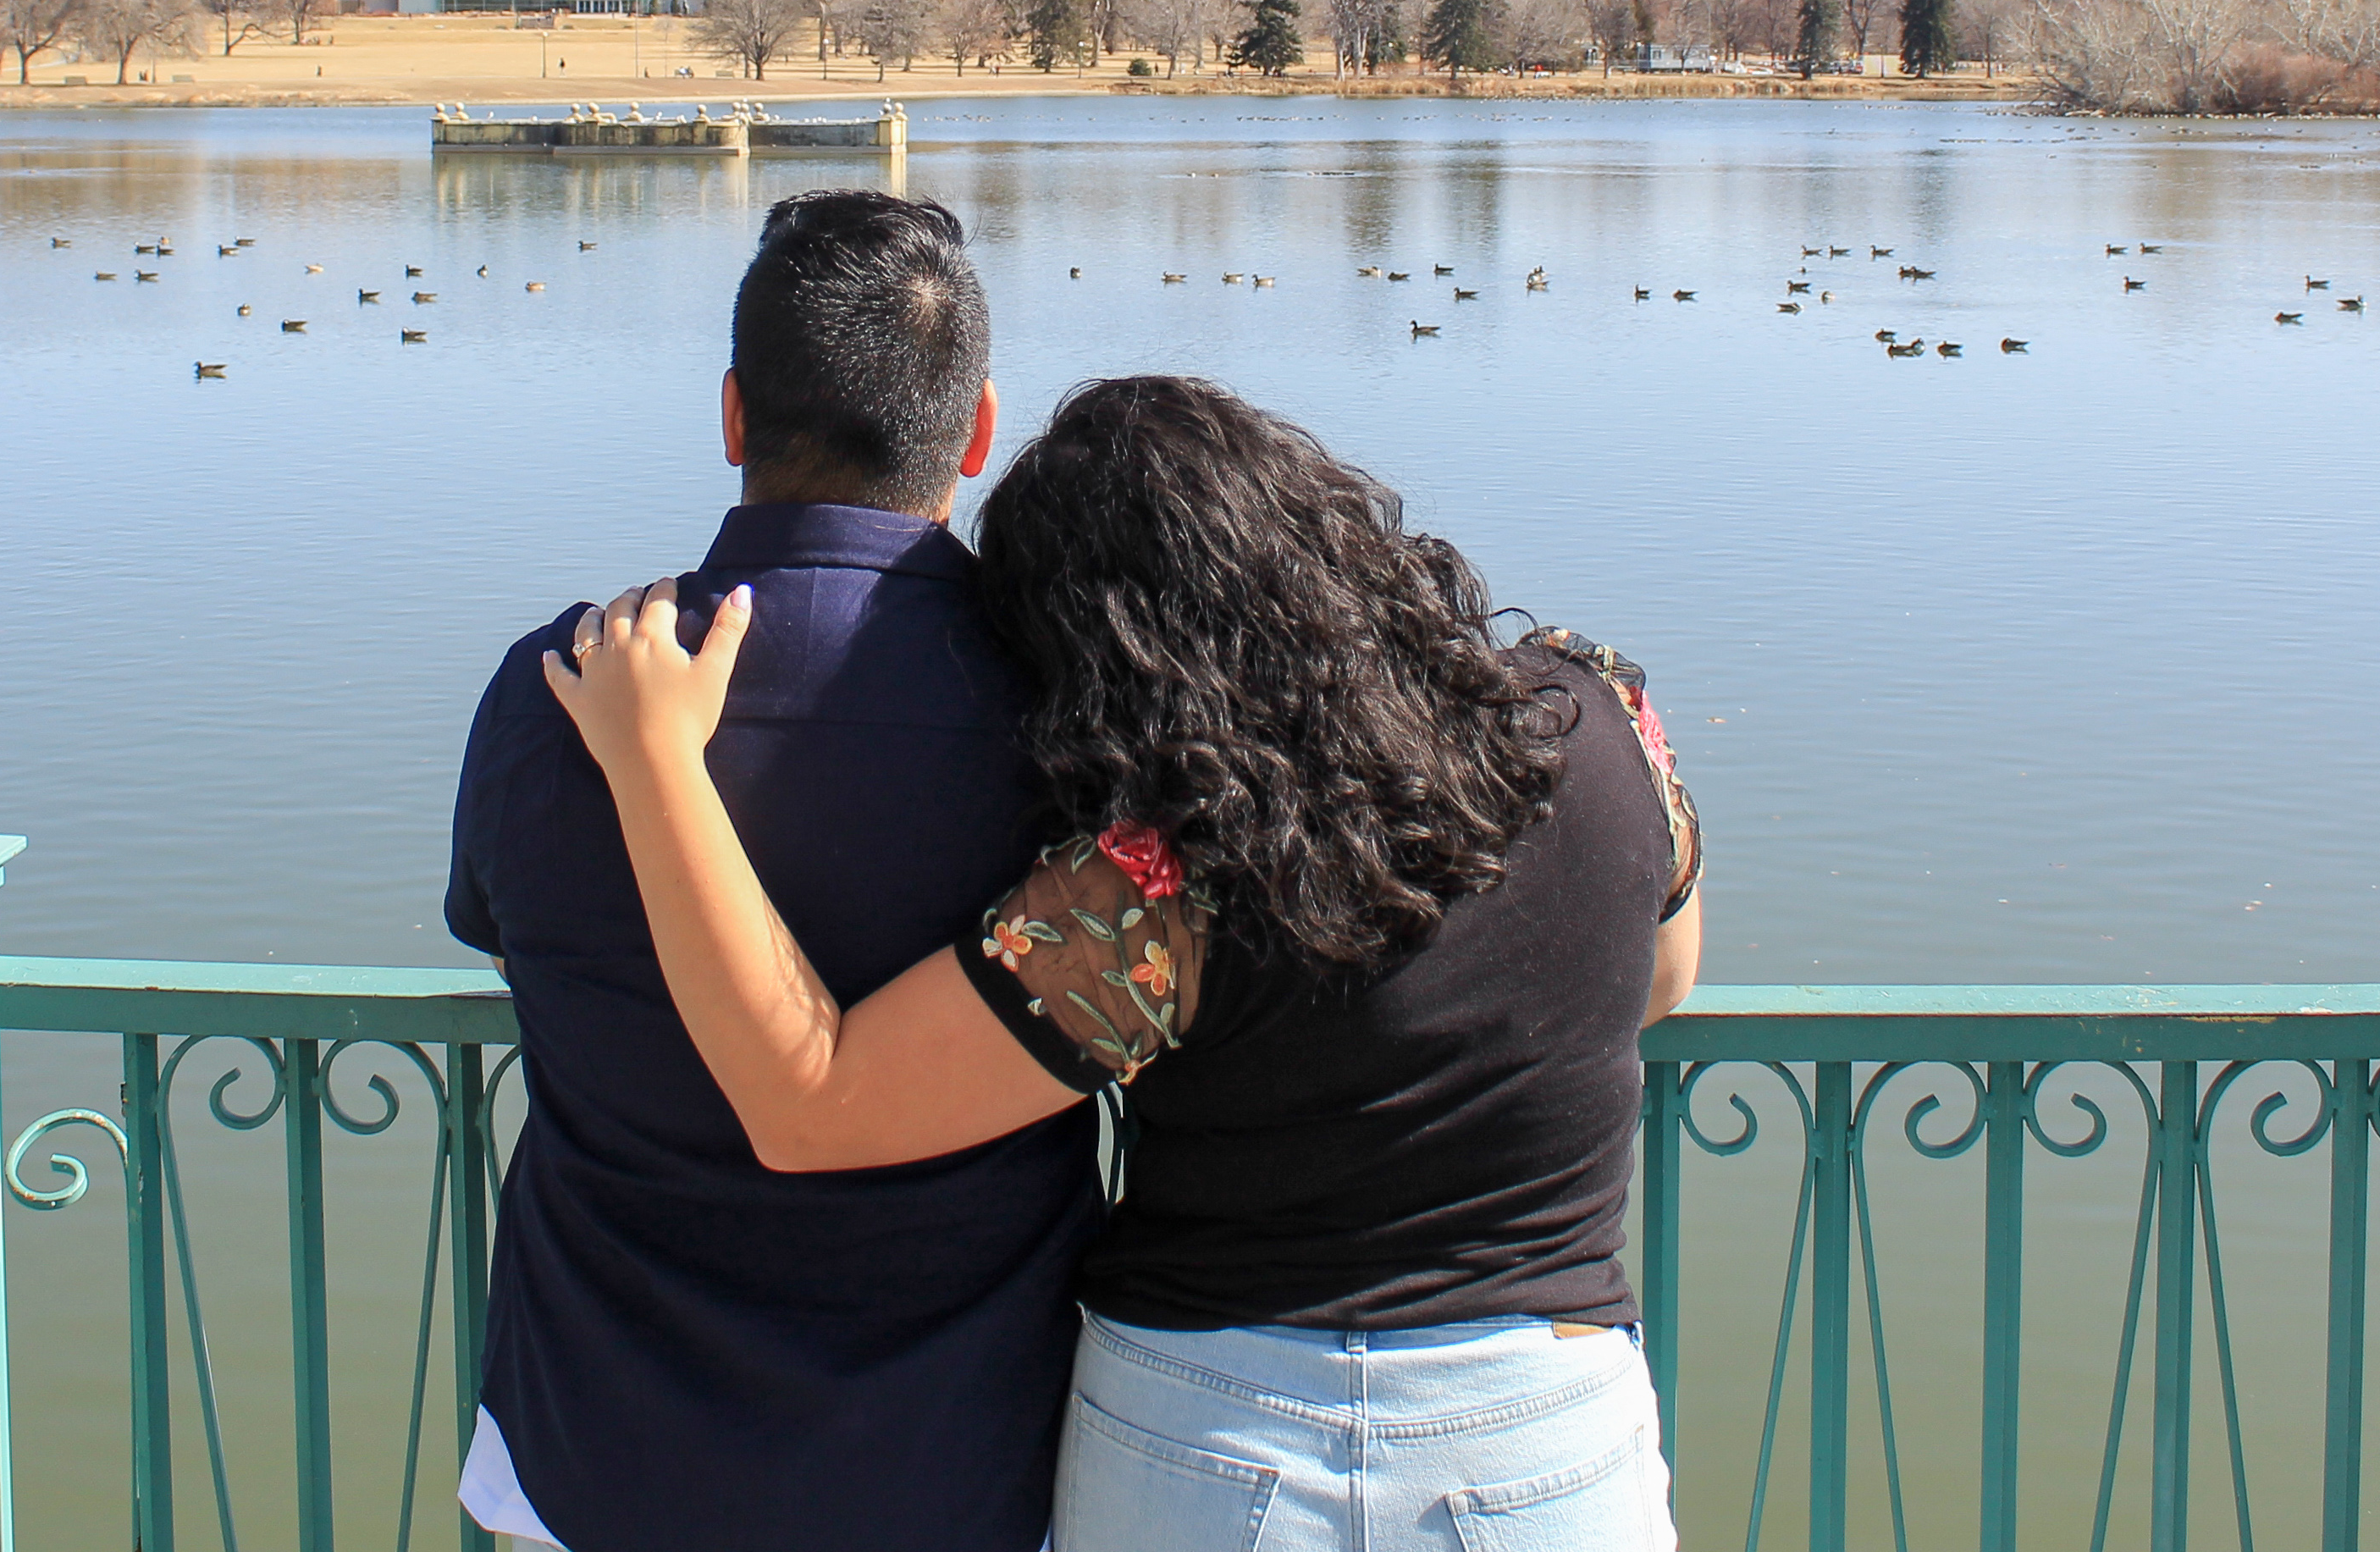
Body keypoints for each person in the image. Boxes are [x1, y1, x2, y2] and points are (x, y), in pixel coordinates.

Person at [549, 373, 1706, 1550]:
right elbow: (1662, 978)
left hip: (1209, 1442)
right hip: (1544, 1437)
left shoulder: (1164, 888)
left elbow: (812, 1104)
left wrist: (657, 762)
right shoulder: (1601, 724)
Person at [443, 192, 1101, 1552]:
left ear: (734, 415)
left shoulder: (553, 688)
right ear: (977, 432)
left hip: (597, 1459)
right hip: (965, 1468)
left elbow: (510, 942)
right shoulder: (1067, 710)